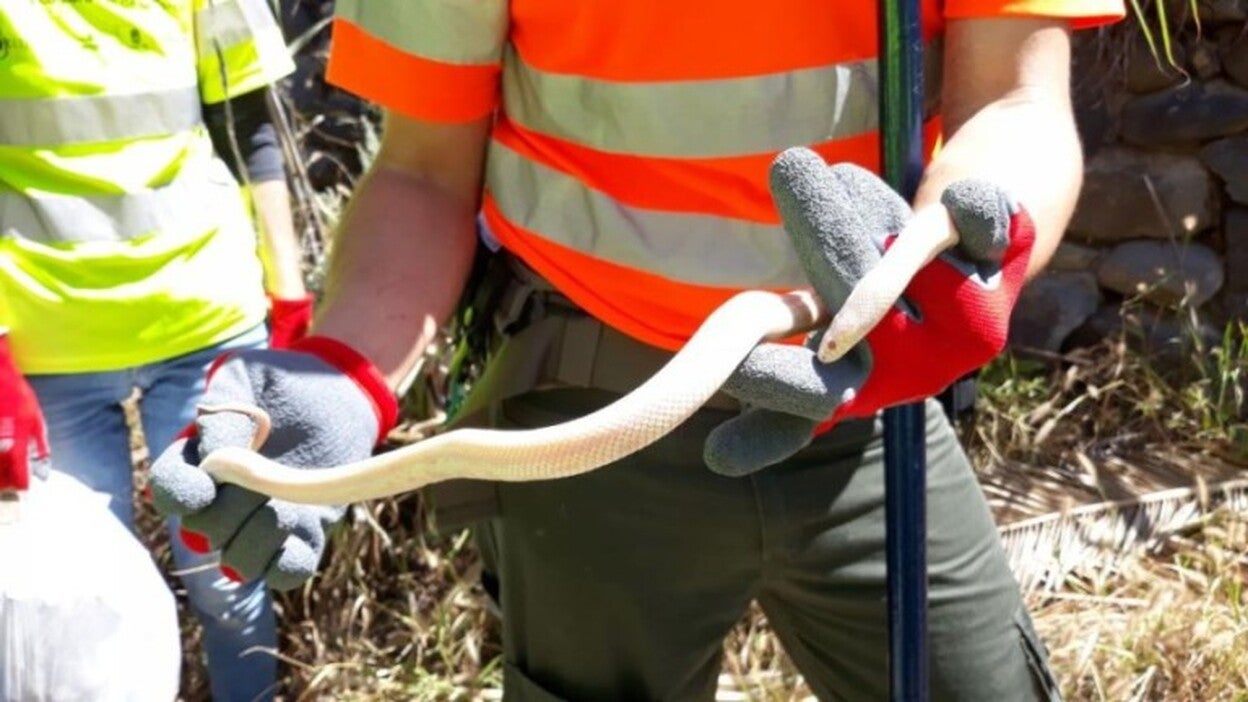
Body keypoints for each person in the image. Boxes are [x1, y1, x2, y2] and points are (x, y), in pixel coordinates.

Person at [149, 0, 1125, 699]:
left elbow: (1015, 103)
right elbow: (422, 170)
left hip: (875, 412)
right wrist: (347, 370)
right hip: (584, 422)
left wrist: (965, 265)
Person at [0, 1, 310, 699]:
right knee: (81, 608)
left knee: (229, 584)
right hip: (45, 350)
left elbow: (252, 132)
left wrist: (290, 303)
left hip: (207, 322)